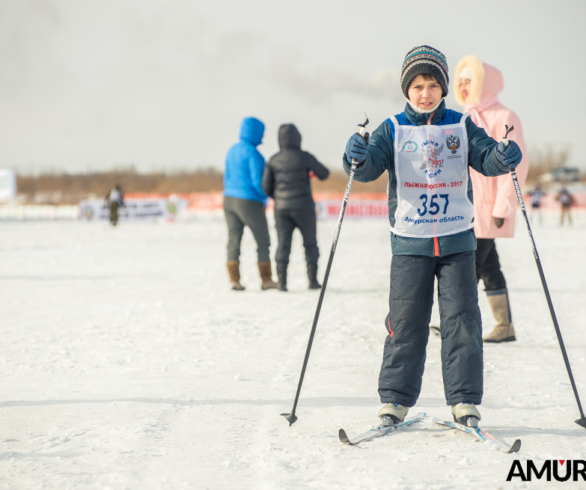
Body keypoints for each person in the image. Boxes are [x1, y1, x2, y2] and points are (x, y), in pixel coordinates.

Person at [343, 46, 522, 427]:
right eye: (418, 86)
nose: (426, 93)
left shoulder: (460, 124)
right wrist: (354, 156)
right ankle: (394, 400)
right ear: (407, 90)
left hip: (458, 240)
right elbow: (368, 167)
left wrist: (503, 156)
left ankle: (464, 401)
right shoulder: (391, 128)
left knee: (462, 322)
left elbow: (486, 156)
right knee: (406, 322)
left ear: (443, 88)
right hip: (410, 242)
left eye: (433, 85)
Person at [453, 55, 529, 344]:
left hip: (488, 209)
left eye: (469, 81)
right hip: (464, 207)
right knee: (487, 266)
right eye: (459, 81)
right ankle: (504, 325)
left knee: (468, 266)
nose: (462, 86)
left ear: (484, 84)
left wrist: (503, 205)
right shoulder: (462, 119)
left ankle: (458, 322)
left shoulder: (504, 117)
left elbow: (517, 166)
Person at [261, 124, 330, 291]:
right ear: (298, 138)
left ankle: (282, 283)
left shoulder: (273, 159)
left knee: (283, 244)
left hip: (281, 209)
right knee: (310, 244)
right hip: (304, 207)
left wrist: (278, 196)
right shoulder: (305, 157)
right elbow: (324, 173)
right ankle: (313, 281)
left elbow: (265, 186)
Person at [223, 116, 278, 291]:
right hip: (248, 201)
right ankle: (267, 280)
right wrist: (267, 196)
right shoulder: (253, 153)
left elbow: (227, 176)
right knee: (263, 240)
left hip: (228, 200)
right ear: (255, 133)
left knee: (234, 239)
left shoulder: (232, 150)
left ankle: (234, 280)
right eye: (262, 133)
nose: (263, 137)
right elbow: (257, 182)